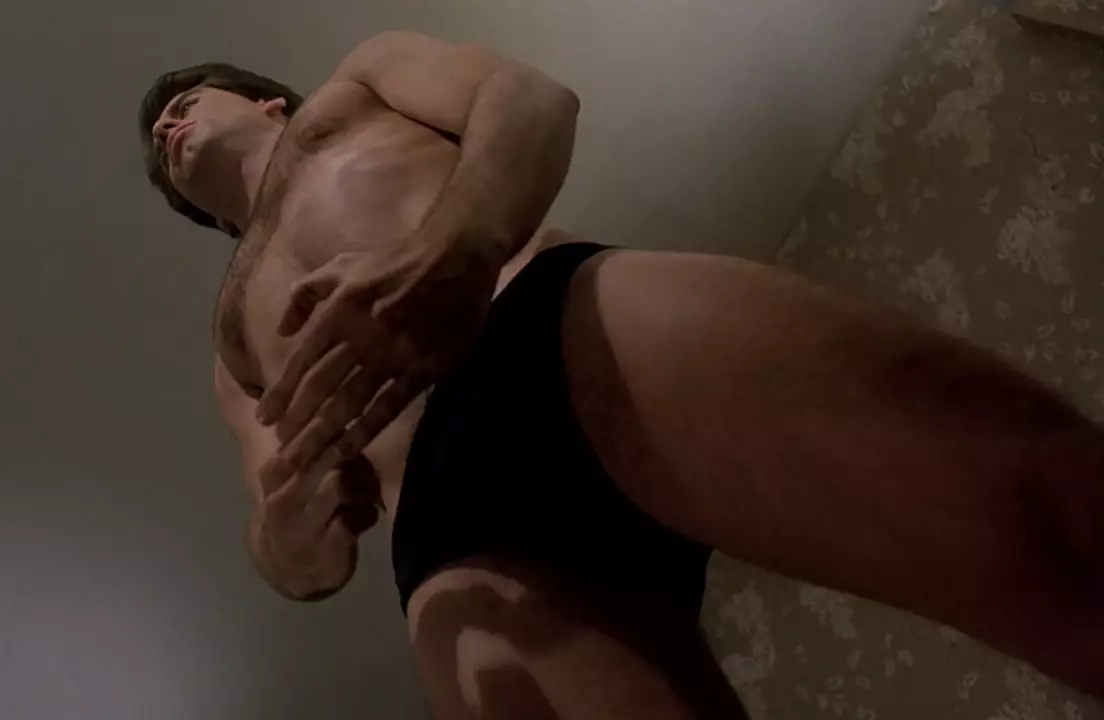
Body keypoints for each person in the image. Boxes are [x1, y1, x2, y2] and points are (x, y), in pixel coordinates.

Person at [138, 31, 1104, 717]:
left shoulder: (359, 84)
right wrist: (295, 533)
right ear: (206, 220)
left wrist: (457, 251)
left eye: (185, 101)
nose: (168, 125)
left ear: (266, 101)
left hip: (554, 324)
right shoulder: (232, 340)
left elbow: (530, 101)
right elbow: (283, 541)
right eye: (157, 140)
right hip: (447, 527)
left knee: (1045, 516)